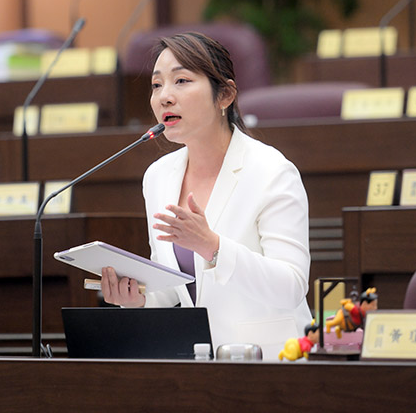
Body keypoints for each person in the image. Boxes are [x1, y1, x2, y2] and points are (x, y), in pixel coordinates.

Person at [101, 32, 312, 359]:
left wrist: (213, 247)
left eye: (181, 81)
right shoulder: (158, 177)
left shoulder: (272, 171)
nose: (164, 97)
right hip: (201, 362)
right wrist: (139, 299)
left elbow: (291, 287)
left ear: (224, 95)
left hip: (274, 359)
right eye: (156, 85)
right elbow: (176, 287)